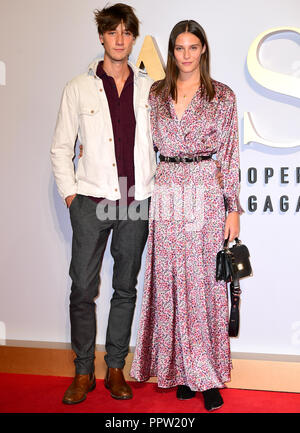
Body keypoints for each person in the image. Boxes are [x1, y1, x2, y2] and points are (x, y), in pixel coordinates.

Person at [130, 20, 244, 411]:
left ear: (204, 50)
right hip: (166, 190)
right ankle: (179, 370)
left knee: (202, 282)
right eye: (179, 48)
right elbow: (140, 144)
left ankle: (206, 375)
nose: (186, 55)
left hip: (205, 192)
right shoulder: (156, 94)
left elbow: (229, 155)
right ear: (171, 52)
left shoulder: (223, 97)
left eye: (193, 47)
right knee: (170, 281)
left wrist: (233, 208)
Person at [50, 3, 157, 404]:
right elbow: (61, 148)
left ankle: (115, 369)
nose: (119, 39)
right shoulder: (78, 87)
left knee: (125, 288)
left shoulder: (149, 87)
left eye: (126, 33)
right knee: (82, 288)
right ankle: (82, 372)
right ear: (101, 36)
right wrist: (72, 195)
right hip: (91, 201)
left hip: (135, 202)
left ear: (132, 38)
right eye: (112, 32)